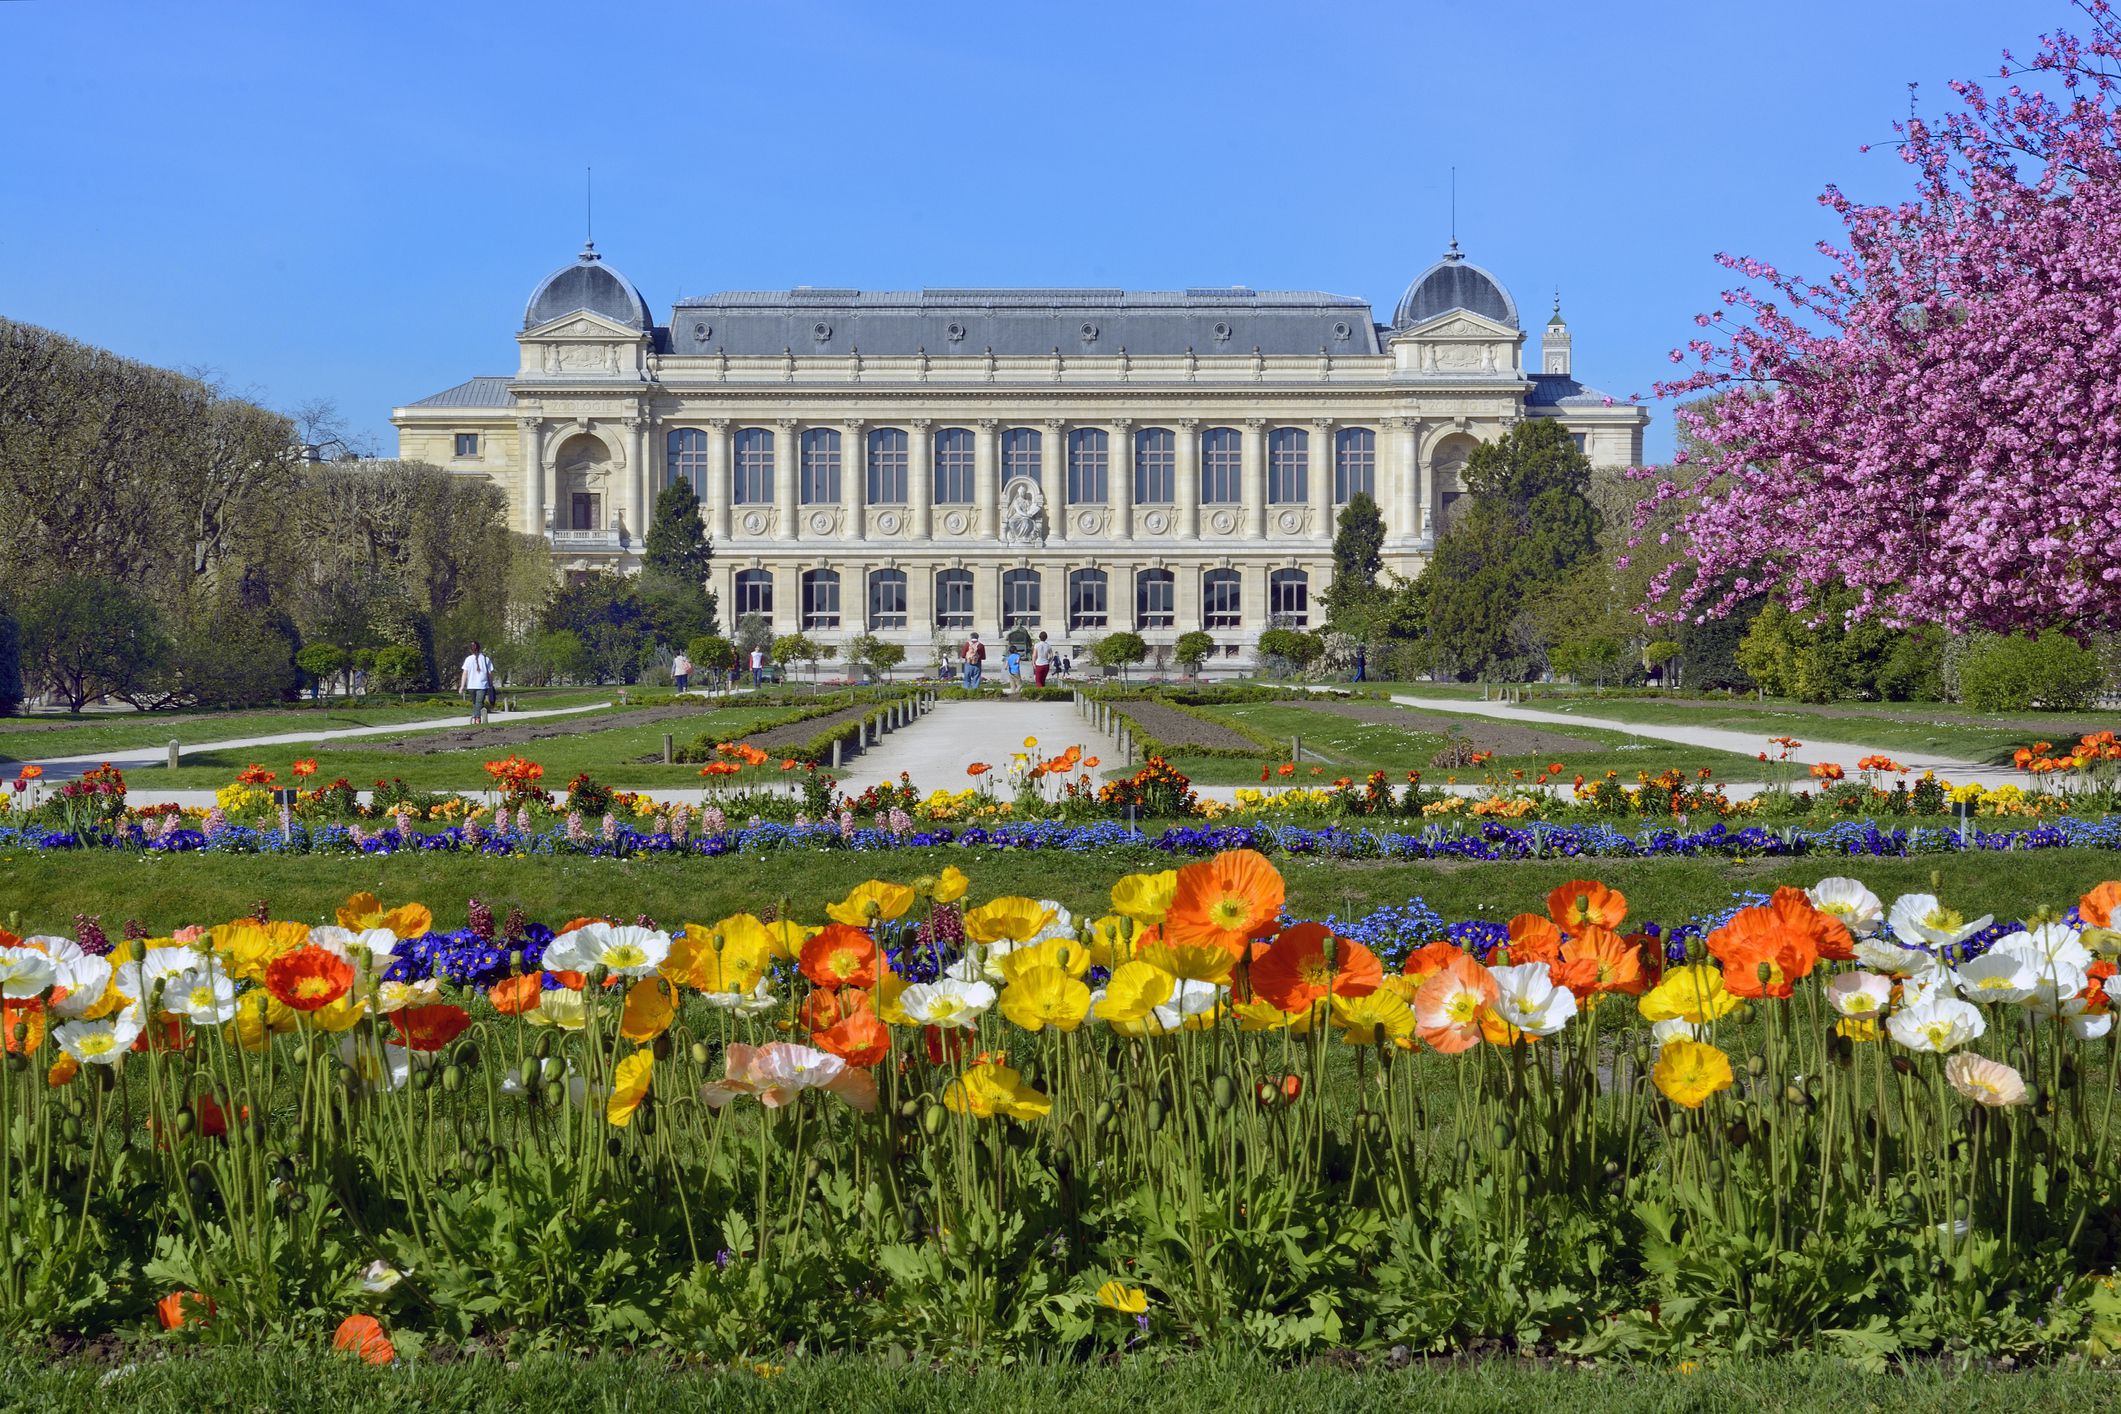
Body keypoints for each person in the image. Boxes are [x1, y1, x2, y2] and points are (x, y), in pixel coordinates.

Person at [458, 640, 496, 725]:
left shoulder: (468, 659)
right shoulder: (485, 659)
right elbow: (490, 673)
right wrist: (491, 683)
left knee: (477, 703)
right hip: (481, 685)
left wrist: (462, 686)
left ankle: (475, 718)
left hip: (471, 685)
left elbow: (464, 673)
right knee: (477, 703)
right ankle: (477, 718)